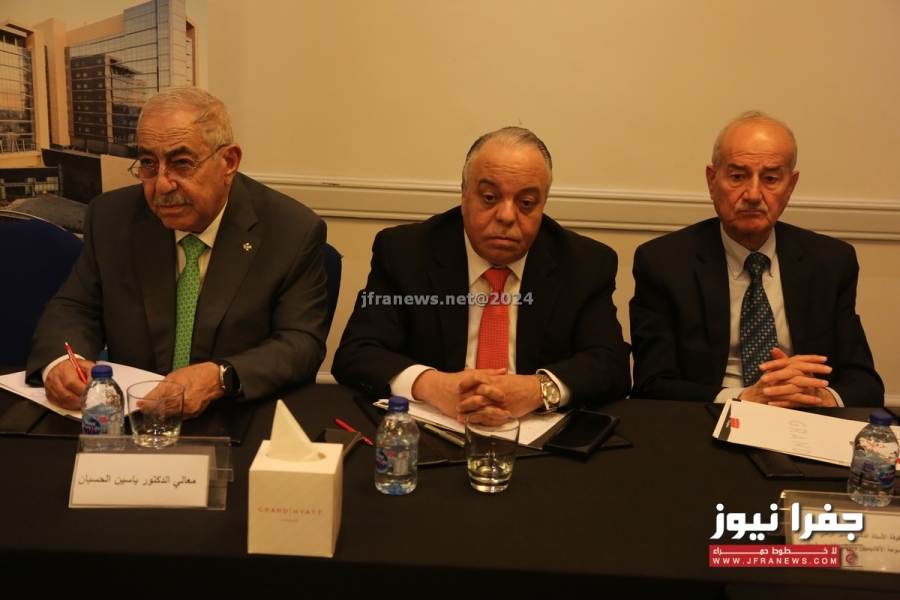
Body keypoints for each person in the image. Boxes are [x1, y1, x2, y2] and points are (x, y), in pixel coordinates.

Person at [26, 87, 328, 418]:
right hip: (133, 418)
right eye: (148, 163)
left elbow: (300, 343)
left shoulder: (291, 230)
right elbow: (75, 307)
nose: (161, 185)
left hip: (234, 417)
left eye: (182, 163)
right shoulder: (112, 217)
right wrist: (61, 363)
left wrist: (220, 377)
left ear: (228, 162)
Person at [333, 127, 631, 422]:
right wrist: (433, 385)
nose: (506, 216)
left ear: (542, 205)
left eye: (526, 203)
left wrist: (539, 389)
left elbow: (610, 364)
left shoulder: (586, 264)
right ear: (464, 196)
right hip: (431, 430)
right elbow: (358, 352)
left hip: (536, 434)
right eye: (489, 197)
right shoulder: (405, 252)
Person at [630, 111, 883, 408]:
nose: (752, 194)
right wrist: (743, 398)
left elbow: (865, 383)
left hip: (805, 414)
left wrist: (819, 396)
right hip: (711, 415)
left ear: (790, 186)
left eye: (770, 179)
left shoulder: (831, 261)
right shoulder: (663, 263)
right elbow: (651, 384)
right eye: (737, 176)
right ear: (712, 181)